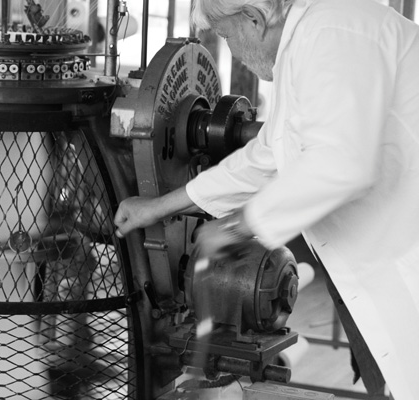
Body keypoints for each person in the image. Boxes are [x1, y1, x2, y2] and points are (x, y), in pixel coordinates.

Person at [113, 0, 419, 398]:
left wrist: (239, 226)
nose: (233, 51)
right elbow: (267, 158)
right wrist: (156, 206)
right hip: (374, 265)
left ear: (254, 18)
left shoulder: (333, 32)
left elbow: (341, 160)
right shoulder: (304, 48)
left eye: (226, 36)